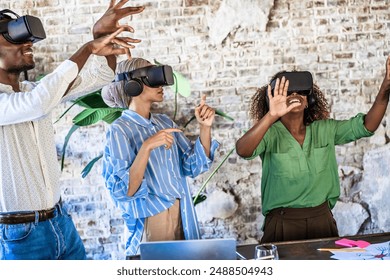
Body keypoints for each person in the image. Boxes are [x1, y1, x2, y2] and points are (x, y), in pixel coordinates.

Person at [0, 1, 144, 260]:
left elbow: (99, 77)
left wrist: (99, 36)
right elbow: (37, 104)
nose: (28, 43)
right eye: (15, 38)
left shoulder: (34, 92)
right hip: (18, 236)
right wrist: (88, 48)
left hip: (60, 223)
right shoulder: (30, 99)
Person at [235, 60, 390, 244]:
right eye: (287, 92)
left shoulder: (325, 129)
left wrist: (385, 87)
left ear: (309, 100)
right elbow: (242, 150)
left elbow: (367, 125)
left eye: (301, 92)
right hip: (282, 223)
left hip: (321, 220)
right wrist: (271, 115)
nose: (295, 95)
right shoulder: (269, 134)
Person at [101, 58, 219, 258]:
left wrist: (204, 128)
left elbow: (193, 166)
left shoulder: (164, 122)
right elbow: (124, 190)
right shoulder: (120, 129)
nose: (162, 84)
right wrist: (147, 146)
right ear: (133, 84)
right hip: (152, 215)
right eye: (153, 77)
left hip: (182, 212)